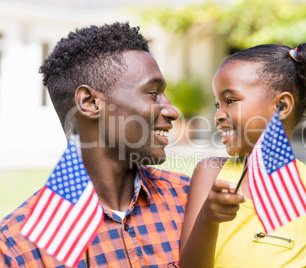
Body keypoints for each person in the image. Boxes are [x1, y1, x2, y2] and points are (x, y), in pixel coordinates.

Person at [0, 22, 189, 267]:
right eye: (153, 93)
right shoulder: (17, 248)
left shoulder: (192, 201)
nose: (172, 111)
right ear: (89, 102)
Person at [179, 43, 306, 267]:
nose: (218, 115)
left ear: (282, 106)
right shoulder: (211, 173)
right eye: (217, 104)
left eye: (230, 101)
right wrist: (208, 218)